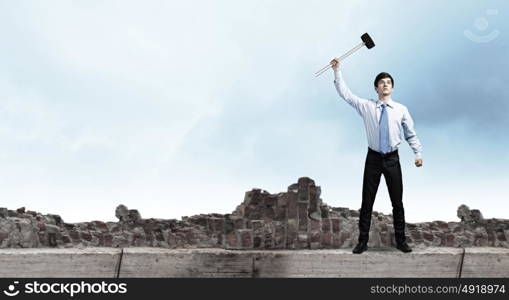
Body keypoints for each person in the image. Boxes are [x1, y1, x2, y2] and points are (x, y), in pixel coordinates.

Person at [330, 59, 423, 254]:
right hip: (373, 158)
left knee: (397, 202)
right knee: (367, 201)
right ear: (376, 88)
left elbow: (410, 133)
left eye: (388, 82)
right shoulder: (367, 106)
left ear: (392, 87)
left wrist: (417, 153)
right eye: (382, 82)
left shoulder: (401, 110)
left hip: (392, 159)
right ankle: (362, 242)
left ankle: (401, 241)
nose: (385, 84)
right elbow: (346, 95)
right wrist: (337, 71)